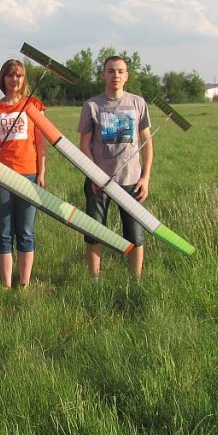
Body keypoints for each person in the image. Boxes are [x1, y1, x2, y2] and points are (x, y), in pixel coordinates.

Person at [77, 55, 153, 280]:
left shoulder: (138, 103)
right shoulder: (92, 105)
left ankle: (136, 281)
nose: (115, 75)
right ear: (104, 75)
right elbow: (84, 145)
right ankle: (95, 280)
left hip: (131, 181)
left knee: (135, 235)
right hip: (99, 182)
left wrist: (145, 178)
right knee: (94, 233)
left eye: (120, 71)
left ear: (127, 76)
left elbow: (147, 143)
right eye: (111, 71)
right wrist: (94, 176)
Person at [0, 59, 46, 289]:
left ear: (24, 78)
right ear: (3, 78)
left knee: (26, 231)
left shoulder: (34, 105)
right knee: (4, 232)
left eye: (18, 75)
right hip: (0, 177)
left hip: (28, 174)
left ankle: (25, 284)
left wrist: (41, 173)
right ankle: (6, 284)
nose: (14, 79)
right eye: (10, 75)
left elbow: (41, 143)